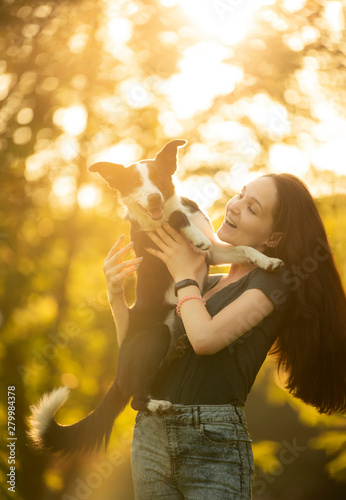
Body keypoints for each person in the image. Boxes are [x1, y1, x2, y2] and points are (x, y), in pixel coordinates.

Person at [103, 173, 346, 499]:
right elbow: (133, 352)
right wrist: (116, 294)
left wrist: (184, 274)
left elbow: (205, 340)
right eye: (240, 194)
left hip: (212, 442)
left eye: (252, 208)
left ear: (273, 239)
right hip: (151, 437)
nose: (234, 206)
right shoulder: (207, 284)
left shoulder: (273, 282)